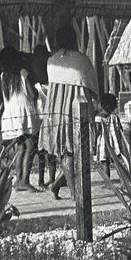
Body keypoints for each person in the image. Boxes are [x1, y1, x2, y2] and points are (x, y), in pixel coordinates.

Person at [40, 24, 100, 199]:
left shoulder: (51, 61)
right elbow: (92, 85)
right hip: (79, 108)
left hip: (58, 111)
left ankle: (58, 185)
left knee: (66, 152)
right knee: (78, 152)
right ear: (74, 39)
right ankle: (75, 193)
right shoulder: (81, 60)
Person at [0, 46, 40, 191]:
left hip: (11, 113)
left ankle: (18, 180)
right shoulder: (23, 73)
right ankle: (25, 180)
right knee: (30, 146)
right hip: (24, 111)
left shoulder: (4, 76)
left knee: (21, 147)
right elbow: (32, 94)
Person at [28, 43, 56, 189]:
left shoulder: (35, 84)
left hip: (39, 119)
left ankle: (42, 180)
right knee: (50, 151)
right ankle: (50, 178)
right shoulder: (52, 83)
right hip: (49, 119)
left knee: (41, 153)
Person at [94, 92, 119, 178]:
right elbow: (120, 129)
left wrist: (94, 143)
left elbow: (97, 131)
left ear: (103, 105)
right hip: (114, 143)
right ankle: (123, 180)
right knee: (116, 162)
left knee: (105, 163)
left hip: (103, 143)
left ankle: (107, 182)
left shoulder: (98, 117)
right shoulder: (115, 117)